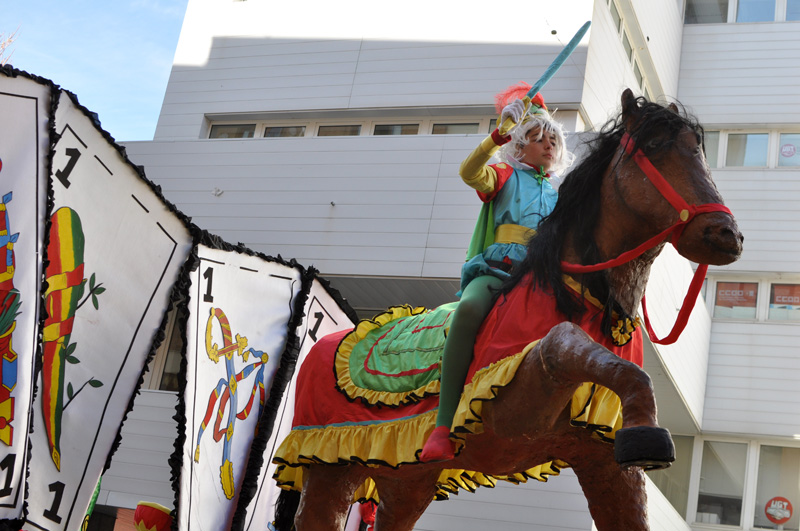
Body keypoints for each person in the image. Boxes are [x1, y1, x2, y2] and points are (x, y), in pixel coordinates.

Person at [420, 87, 574, 462]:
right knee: (470, 310)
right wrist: (495, 137)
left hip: (540, 280)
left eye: (553, 140)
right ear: (519, 146)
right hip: (498, 271)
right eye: (538, 139)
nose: (548, 146)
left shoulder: (560, 195)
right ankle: (442, 424)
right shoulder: (505, 176)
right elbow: (469, 172)